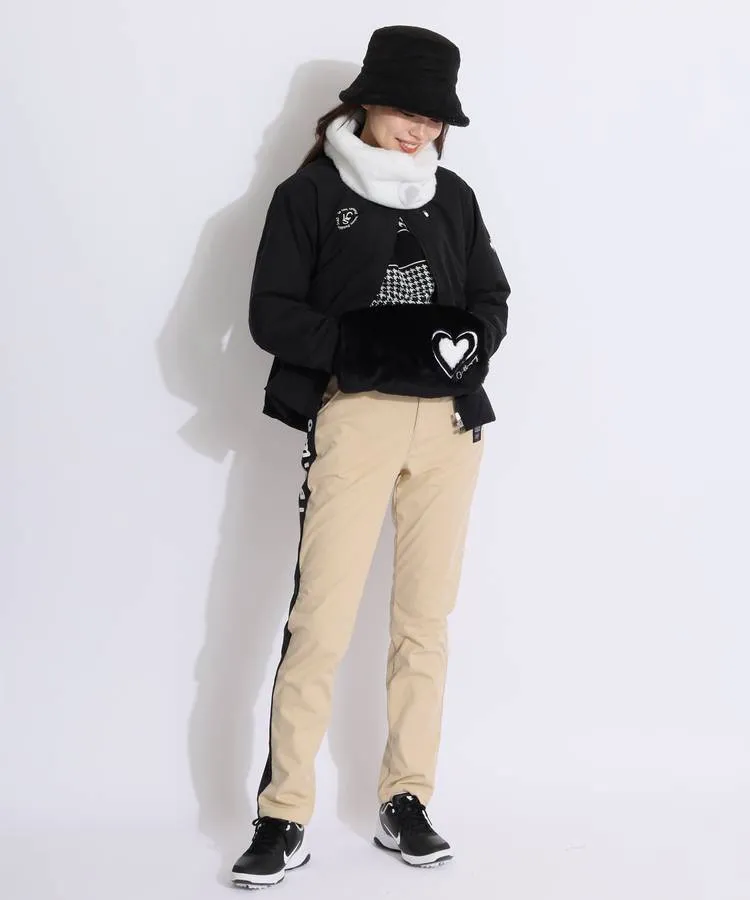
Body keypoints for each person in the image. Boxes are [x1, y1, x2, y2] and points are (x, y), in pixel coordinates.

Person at [231, 24, 511, 889]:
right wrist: (364, 353)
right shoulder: (310, 194)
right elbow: (273, 313)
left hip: (450, 429)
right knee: (320, 619)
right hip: (356, 418)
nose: (422, 129)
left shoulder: (452, 196)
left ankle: (407, 799)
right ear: (366, 101)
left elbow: (490, 295)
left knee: (424, 622)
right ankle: (283, 813)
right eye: (408, 111)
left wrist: (468, 348)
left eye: (435, 117)